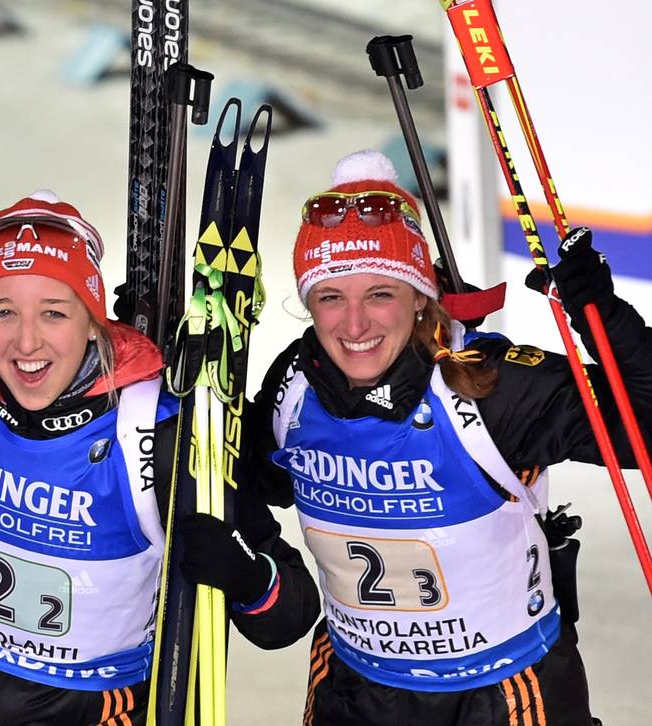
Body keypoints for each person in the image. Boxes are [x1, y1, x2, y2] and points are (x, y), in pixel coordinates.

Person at [0, 191, 320, 725]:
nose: (26, 342)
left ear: (92, 320)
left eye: (54, 312)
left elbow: (290, 613)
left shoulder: (154, 431)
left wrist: (251, 579)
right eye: (3, 312)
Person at [251, 150, 651, 725]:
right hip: (357, 688)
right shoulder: (297, 378)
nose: (355, 325)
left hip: (505, 692)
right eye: (331, 297)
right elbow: (262, 478)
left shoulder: (489, 385)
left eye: (381, 294)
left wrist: (607, 320)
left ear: (420, 297)